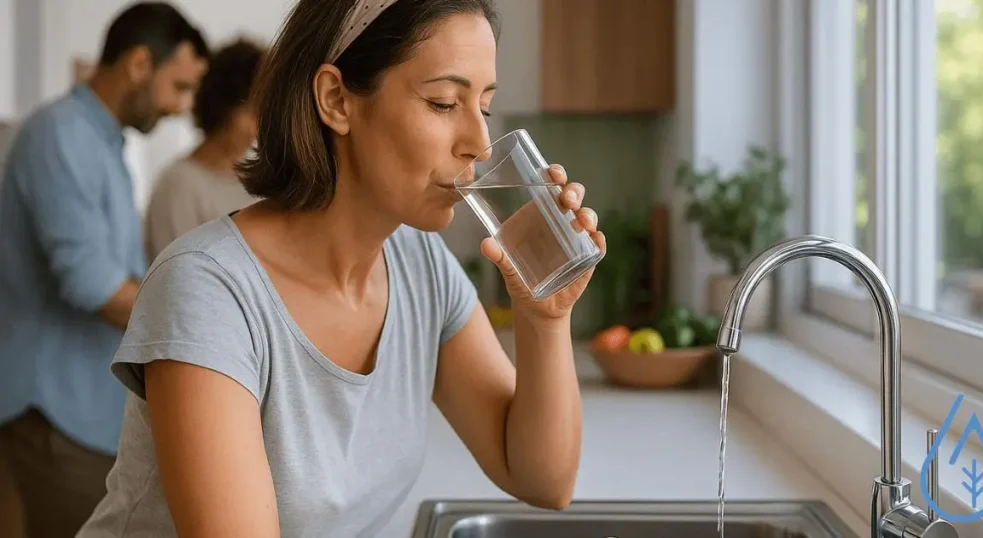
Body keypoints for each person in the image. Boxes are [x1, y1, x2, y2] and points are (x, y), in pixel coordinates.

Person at [76, 0, 605, 536]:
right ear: (337, 100)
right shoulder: (207, 290)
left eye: (484, 107)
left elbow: (543, 480)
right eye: (444, 103)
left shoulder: (420, 266)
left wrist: (544, 319)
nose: (479, 145)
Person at [0, 3, 209, 537]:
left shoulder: (103, 143)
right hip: (54, 413)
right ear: (139, 64)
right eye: (179, 87)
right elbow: (92, 284)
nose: (181, 108)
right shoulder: (60, 135)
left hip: (85, 411)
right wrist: (204, 333)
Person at [145, 38, 265, 261]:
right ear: (223, 107)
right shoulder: (180, 185)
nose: (257, 129)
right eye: (251, 112)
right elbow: (177, 279)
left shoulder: (256, 183)